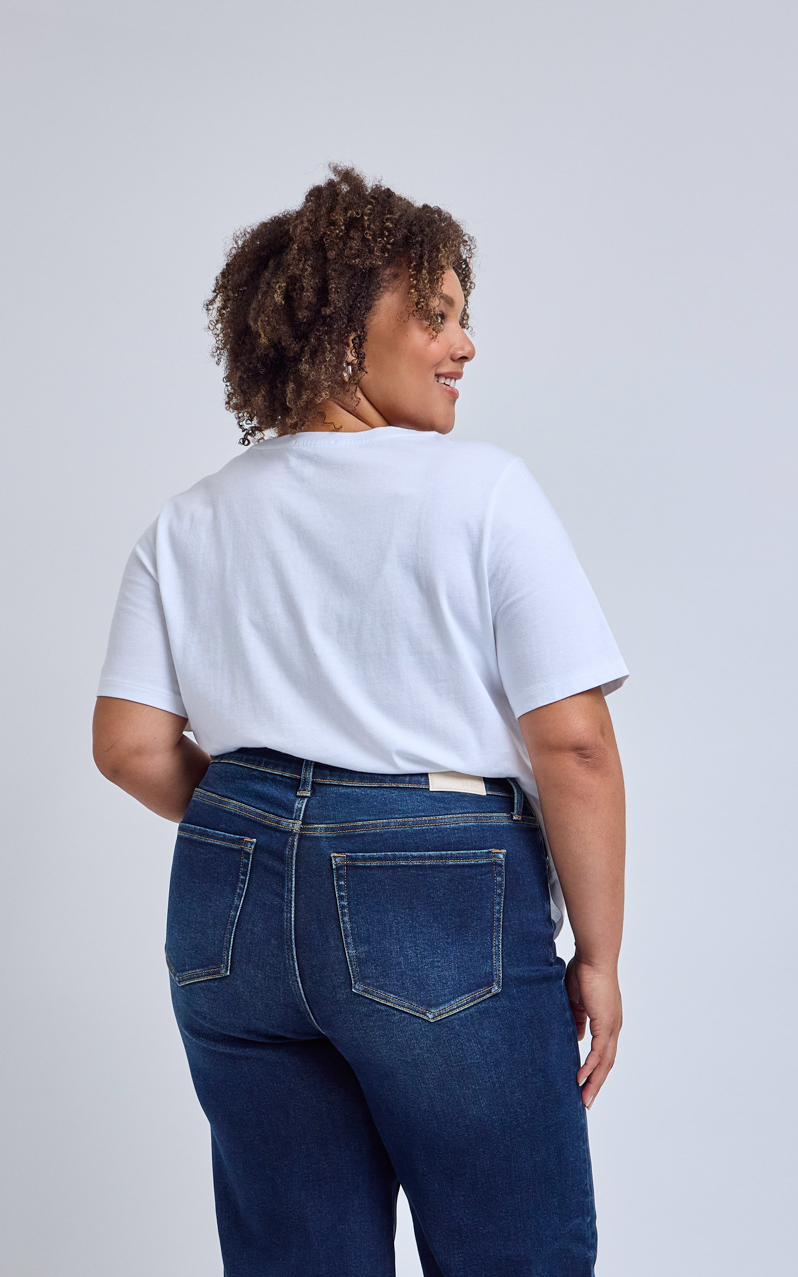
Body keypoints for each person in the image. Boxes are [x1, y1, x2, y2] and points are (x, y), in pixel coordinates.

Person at [93, 161, 628, 1276]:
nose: (464, 343)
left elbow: (131, 743)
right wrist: (601, 955)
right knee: (511, 1253)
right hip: (436, 900)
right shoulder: (480, 490)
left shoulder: (188, 521)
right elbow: (572, 740)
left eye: (462, 317)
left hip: (226, 905)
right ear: (343, 332)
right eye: (433, 314)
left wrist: (269, 819)